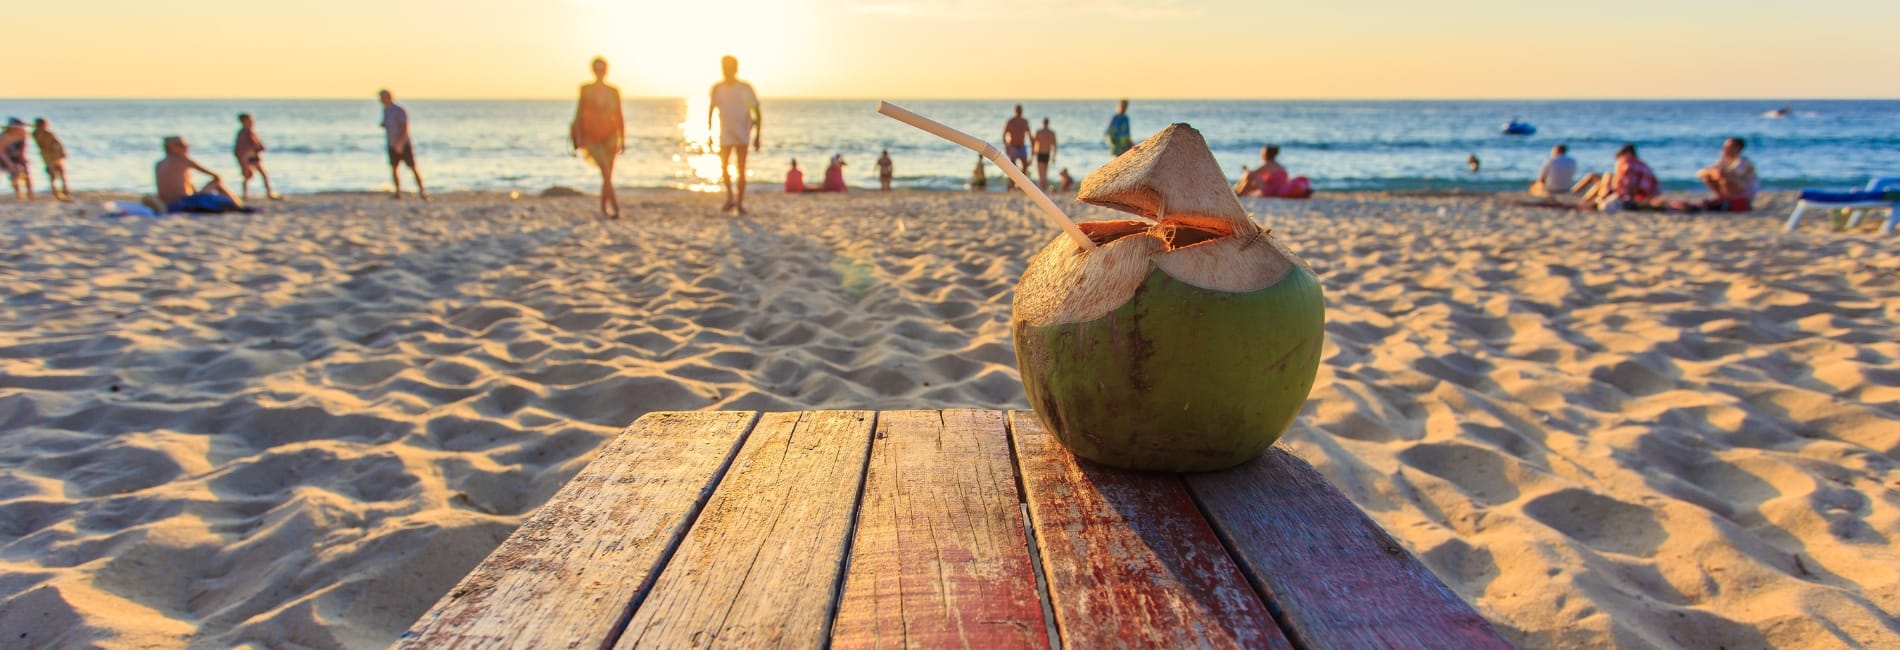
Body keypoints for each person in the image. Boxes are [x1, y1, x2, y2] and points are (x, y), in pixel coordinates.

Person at [571, 57, 626, 218]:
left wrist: (623, 139)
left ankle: (603, 207)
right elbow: (579, 113)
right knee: (606, 171)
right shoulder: (585, 89)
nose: (600, 72)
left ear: (606, 70)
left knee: (608, 173)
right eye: (597, 69)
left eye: (602, 69)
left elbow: (619, 115)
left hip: (610, 136)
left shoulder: (613, 91)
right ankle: (615, 207)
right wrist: (578, 136)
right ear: (593, 70)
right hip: (592, 137)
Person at [708, 55, 762, 214]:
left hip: (742, 135)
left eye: (729, 67)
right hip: (724, 135)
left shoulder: (745, 89)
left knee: (741, 169)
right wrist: (709, 134)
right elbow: (711, 110)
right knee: (723, 168)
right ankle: (730, 197)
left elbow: (756, 112)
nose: (726, 70)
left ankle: (739, 202)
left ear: (736, 68)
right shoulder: (718, 89)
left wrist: (758, 135)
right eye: (724, 67)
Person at [155, 136, 245, 214]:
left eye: (185, 145)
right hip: (185, 201)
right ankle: (238, 205)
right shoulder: (183, 160)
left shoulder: (159, 164)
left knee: (190, 181)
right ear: (171, 148)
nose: (185, 148)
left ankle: (237, 205)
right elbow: (214, 175)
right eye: (181, 145)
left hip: (167, 204)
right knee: (217, 182)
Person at [1576, 143, 1659, 210]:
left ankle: (1580, 197)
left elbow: (1627, 184)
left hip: (1628, 196)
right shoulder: (1642, 165)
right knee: (1602, 179)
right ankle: (1585, 200)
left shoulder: (1626, 163)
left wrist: (1620, 193)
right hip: (1642, 196)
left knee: (1605, 176)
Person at [379, 90, 427, 200]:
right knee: (394, 168)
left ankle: (422, 191)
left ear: (389, 97)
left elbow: (405, 127)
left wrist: (400, 143)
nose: (380, 100)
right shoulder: (385, 110)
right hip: (391, 144)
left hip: (403, 144)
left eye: (382, 97)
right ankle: (398, 193)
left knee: (413, 168)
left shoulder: (399, 110)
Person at [1694, 137, 1758, 212]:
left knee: (1723, 175)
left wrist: (1716, 172)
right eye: (1724, 147)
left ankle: (1727, 199)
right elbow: (1700, 173)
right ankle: (1724, 198)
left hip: (1745, 195)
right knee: (1709, 176)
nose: (1723, 149)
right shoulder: (1724, 161)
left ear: (1737, 149)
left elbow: (1732, 175)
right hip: (1734, 190)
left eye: (1727, 147)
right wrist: (1713, 172)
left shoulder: (1743, 162)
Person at [233, 113, 282, 202]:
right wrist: (243, 159)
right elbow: (241, 147)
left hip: (253, 156)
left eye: (252, 120)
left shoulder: (249, 131)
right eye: (249, 120)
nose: (252, 122)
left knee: (262, 175)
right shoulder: (244, 133)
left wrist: (259, 148)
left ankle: (268, 193)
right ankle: (245, 194)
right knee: (248, 176)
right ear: (243, 122)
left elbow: (256, 144)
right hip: (247, 157)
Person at [1234, 145, 1313, 199]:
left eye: (1262, 153)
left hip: (1271, 191)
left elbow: (1252, 174)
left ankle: (1239, 192)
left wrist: (1245, 169)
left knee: (1252, 176)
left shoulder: (1269, 165)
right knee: (1256, 179)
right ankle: (1237, 192)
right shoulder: (1279, 165)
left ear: (1265, 154)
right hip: (1277, 191)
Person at [32, 119, 68, 201]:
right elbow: (38, 139)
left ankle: (65, 188)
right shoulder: (36, 134)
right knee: (52, 174)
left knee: (61, 171)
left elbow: (57, 143)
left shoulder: (49, 134)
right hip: (47, 156)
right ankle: (55, 191)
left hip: (55, 155)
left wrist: (62, 152)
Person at [1, 119, 33, 200]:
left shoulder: (24, 134)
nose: (18, 129)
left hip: (17, 155)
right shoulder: (5, 136)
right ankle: (18, 194)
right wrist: (9, 164)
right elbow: (1, 152)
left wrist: (23, 157)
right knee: (14, 174)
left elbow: (23, 147)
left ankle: (30, 193)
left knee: (27, 173)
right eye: (16, 127)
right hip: (5, 157)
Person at [1002, 105, 1031, 187]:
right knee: (1012, 167)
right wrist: (1006, 147)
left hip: (1022, 146)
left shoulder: (1025, 121)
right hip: (1013, 147)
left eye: (1020, 110)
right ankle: (1012, 185)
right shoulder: (1011, 121)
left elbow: (1029, 134)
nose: (1019, 112)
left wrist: (1033, 149)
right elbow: (1004, 134)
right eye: (1018, 110)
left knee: (1025, 166)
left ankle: (1022, 185)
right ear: (1015, 111)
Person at [1033, 118, 1058, 191]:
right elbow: (1054, 146)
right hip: (1047, 154)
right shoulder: (1052, 133)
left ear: (1043, 123)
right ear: (1048, 123)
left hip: (1040, 153)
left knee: (1041, 174)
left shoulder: (1039, 132)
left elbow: (1035, 144)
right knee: (1045, 173)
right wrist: (1054, 157)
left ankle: (1041, 188)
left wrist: (1033, 154)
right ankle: (1043, 188)